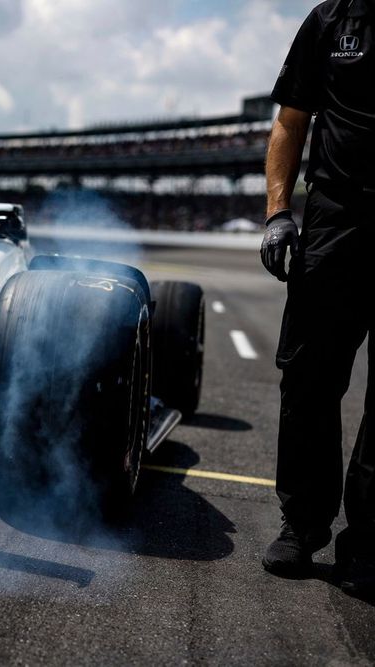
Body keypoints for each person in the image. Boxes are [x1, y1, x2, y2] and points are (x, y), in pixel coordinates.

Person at [260, 0, 375, 597]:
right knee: (307, 379)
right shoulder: (329, 21)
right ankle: (303, 527)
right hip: (335, 223)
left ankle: (371, 542)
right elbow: (290, 120)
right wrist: (278, 214)